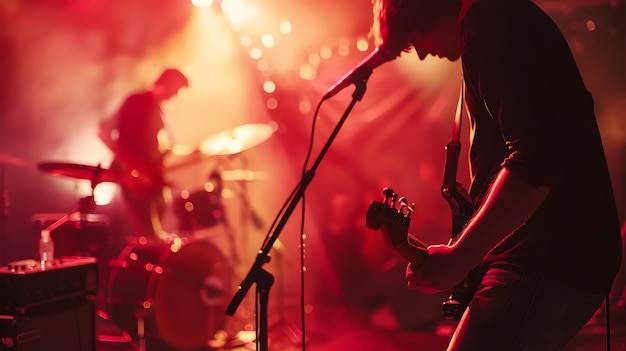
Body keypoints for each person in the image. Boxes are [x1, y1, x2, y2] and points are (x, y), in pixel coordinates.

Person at [368, 0, 623, 349]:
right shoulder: (494, 21)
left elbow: (536, 160)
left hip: (547, 254)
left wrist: (460, 258)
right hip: (546, 251)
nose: (423, 55)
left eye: (414, 40)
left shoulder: (487, 25)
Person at [99, 68, 189, 239]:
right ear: (167, 84)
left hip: (151, 179)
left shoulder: (160, 110)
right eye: (176, 90)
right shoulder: (136, 101)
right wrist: (128, 162)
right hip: (136, 178)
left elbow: (161, 148)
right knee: (149, 236)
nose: (175, 96)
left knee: (158, 233)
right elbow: (103, 130)